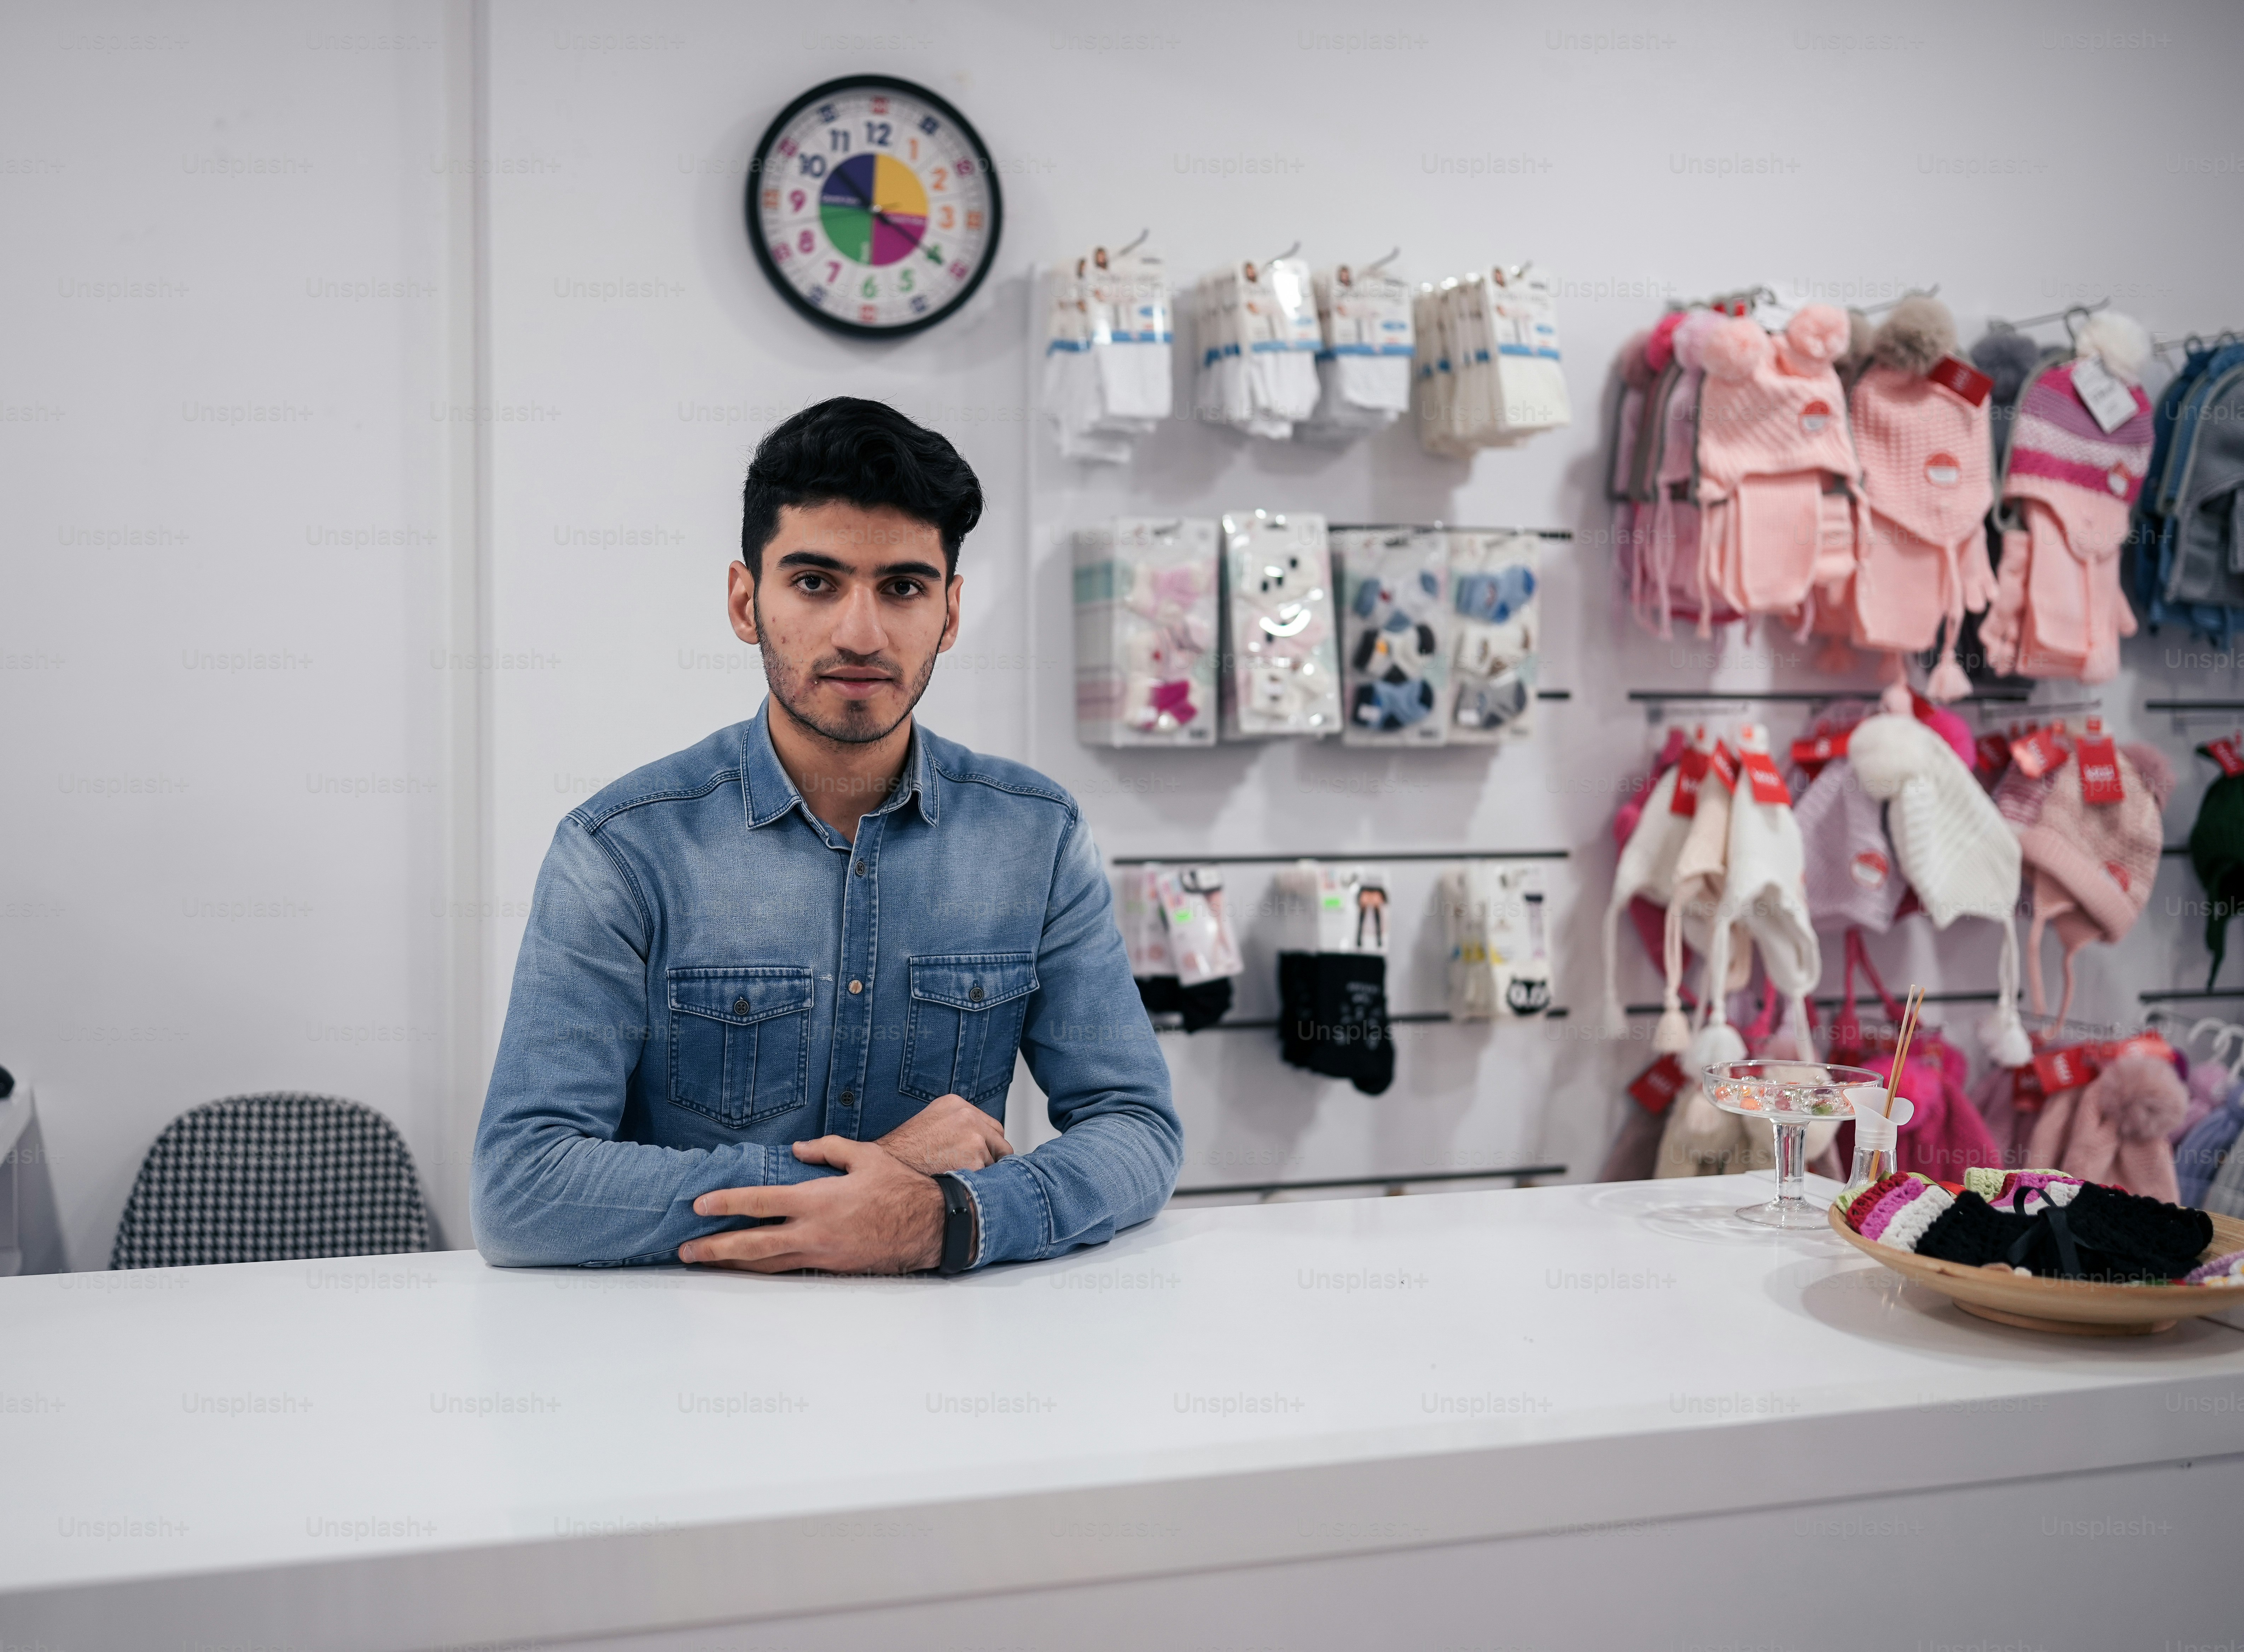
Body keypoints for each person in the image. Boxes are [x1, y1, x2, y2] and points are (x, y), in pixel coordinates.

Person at [471, 399, 1180, 1274]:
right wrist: (879, 1174)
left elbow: (1136, 1127)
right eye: (815, 582)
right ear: (745, 600)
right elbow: (523, 1188)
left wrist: (946, 1218)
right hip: (677, 1368)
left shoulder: (1034, 837)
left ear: (949, 614)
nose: (860, 632)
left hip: (951, 1360)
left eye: (902, 587)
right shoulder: (620, 850)